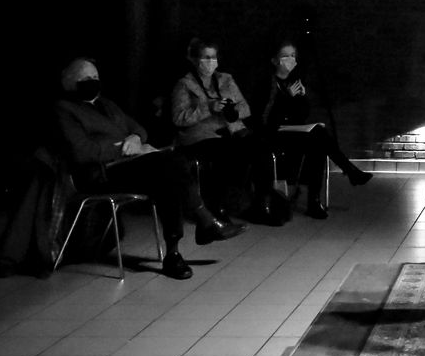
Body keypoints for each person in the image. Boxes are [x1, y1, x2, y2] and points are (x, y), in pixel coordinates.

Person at [54, 58, 243, 280]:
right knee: (167, 165)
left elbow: (138, 129)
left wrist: (135, 138)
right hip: (100, 173)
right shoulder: (64, 109)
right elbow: (82, 152)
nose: (93, 81)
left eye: (95, 77)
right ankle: (204, 221)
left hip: (131, 166)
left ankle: (174, 252)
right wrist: (123, 148)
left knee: (168, 176)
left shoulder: (107, 104)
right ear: (71, 82)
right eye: (86, 78)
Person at [256, 39, 371, 218]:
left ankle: (315, 201)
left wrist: (302, 97)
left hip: (294, 131)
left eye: (293, 55)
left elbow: (301, 115)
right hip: (274, 132)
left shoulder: (294, 81)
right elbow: (267, 116)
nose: (290, 59)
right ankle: (349, 172)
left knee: (318, 143)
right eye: (285, 56)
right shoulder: (268, 83)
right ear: (275, 60)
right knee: (319, 136)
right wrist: (287, 98)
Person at [170, 39, 254, 223]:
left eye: (213, 57)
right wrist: (208, 108)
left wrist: (232, 111)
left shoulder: (226, 79)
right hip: (201, 137)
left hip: (231, 131)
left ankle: (252, 202)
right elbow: (178, 118)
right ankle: (217, 206)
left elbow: (246, 108)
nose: (210, 62)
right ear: (195, 59)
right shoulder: (184, 84)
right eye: (206, 57)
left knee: (255, 149)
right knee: (224, 153)